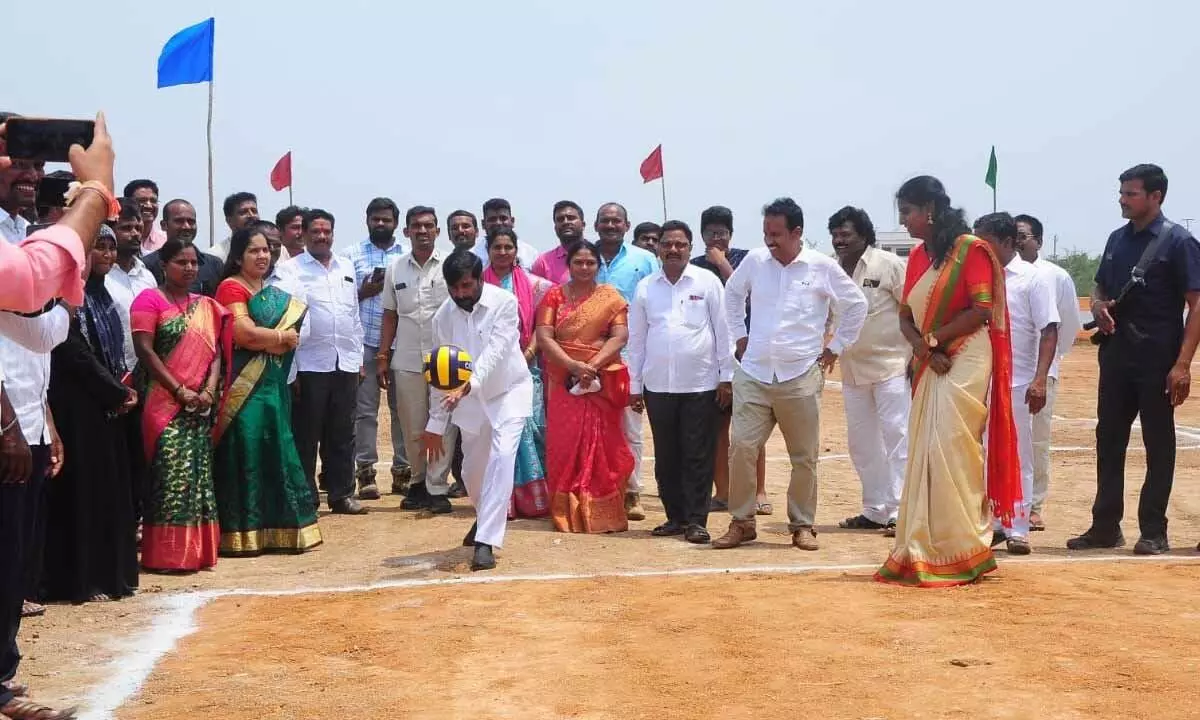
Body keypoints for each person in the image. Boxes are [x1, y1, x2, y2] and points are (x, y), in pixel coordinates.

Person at [874, 176, 1022, 587]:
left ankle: (964, 546)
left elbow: (982, 309)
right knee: (925, 447)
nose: (903, 221)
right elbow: (904, 316)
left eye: (907, 212)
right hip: (930, 359)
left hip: (967, 354)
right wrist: (923, 351)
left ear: (930, 210)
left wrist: (936, 342)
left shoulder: (969, 250)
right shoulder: (920, 256)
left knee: (952, 446)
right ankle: (925, 545)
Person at [713, 198, 867, 551]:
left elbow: (856, 304)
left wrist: (837, 347)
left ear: (797, 232)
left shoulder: (821, 267)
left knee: (804, 455)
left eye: (777, 234)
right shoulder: (754, 261)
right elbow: (733, 296)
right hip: (754, 371)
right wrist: (739, 335)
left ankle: (802, 524)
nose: (770, 240)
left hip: (800, 373)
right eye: (766, 232)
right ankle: (742, 521)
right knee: (742, 448)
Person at [1069, 163, 1200, 555]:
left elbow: (1196, 304)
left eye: (1131, 194)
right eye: (1122, 192)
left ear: (1156, 197)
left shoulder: (1179, 242)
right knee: (1108, 438)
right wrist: (1099, 304)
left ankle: (1154, 530)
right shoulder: (1116, 239)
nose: (1122, 200)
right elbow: (1101, 284)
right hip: (1117, 355)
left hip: (1158, 359)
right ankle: (1105, 525)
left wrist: (1182, 364)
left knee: (1158, 443)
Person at [212, 226, 323, 556]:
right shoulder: (231, 287)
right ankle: (243, 533)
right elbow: (243, 334)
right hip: (244, 391)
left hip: (272, 389)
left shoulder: (266, 289)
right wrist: (281, 340)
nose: (262, 256)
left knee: (274, 453)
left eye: (266, 251)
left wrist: (278, 341)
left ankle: (277, 530)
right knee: (246, 455)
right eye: (253, 251)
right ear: (238, 256)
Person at [43, 228, 139, 603]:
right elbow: (73, 352)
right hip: (75, 407)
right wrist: (114, 392)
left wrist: (121, 392)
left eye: (112, 247)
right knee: (82, 493)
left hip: (106, 408)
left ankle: (111, 574)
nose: (108, 254)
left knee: (110, 490)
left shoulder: (103, 297)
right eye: (100, 246)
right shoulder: (62, 299)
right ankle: (81, 580)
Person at [421, 249, 533, 570]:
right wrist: (435, 424)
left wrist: (466, 385)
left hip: (508, 392)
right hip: (468, 403)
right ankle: (485, 517)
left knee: (502, 459)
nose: (460, 294)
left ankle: (486, 541)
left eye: (467, 286)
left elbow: (495, 353)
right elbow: (440, 373)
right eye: (454, 288)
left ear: (480, 278)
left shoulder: (505, 303)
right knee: (472, 471)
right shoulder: (442, 317)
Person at [628, 220, 732, 544]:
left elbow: (724, 332)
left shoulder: (708, 282)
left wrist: (726, 378)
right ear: (658, 247)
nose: (673, 249)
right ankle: (675, 517)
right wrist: (634, 386)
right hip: (658, 386)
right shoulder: (646, 287)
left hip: (700, 384)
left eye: (680, 244)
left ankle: (697, 521)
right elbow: (637, 341)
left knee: (698, 455)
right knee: (667, 456)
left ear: (690, 248)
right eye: (667, 244)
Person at [130, 238, 230, 573]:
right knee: (170, 478)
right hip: (163, 404)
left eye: (193, 263)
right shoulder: (149, 300)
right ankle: (167, 555)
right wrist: (179, 390)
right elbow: (145, 351)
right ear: (163, 264)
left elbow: (215, 352)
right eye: (181, 262)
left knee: (199, 477)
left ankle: (197, 552)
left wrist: (209, 391)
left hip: (200, 405)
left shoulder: (206, 305)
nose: (189, 269)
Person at [974, 212, 1058, 555]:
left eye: (986, 242)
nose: (979, 249)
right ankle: (992, 522)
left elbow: (1049, 330)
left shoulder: (1032, 279)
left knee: (1017, 454)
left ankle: (1017, 526)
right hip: (981, 380)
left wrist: (1040, 379)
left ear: (1008, 243)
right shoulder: (979, 278)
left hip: (1019, 382)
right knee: (984, 453)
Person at [535, 240, 634, 533]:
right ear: (570, 265)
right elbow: (544, 336)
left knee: (605, 443)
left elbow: (620, 335)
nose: (584, 267)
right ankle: (566, 509)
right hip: (564, 383)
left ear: (598, 266)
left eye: (590, 262)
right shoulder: (554, 296)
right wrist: (573, 366)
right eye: (578, 262)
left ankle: (602, 509)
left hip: (599, 382)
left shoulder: (610, 297)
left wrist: (592, 366)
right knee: (564, 445)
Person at [828, 206, 911, 533]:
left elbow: (912, 308)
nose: (839, 240)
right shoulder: (832, 271)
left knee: (897, 437)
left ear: (864, 235)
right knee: (861, 443)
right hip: (852, 371)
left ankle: (902, 511)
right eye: (835, 234)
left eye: (845, 234)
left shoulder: (889, 265)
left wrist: (917, 355)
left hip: (891, 365)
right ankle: (875, 509)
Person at [284, 209, 367, 515]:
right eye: (315, 232)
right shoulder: (291, 269)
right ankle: (307, 496)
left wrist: (358, 359)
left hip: (344, 361)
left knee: (343, 432)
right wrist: (292, 370)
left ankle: (342, 494)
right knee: (307, 433)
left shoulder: (345, 266)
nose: (322, 236)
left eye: (326, 231)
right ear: (303, 235)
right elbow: (289, 320)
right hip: (309, 363)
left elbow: (353, 315)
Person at [376, 206, 458, 513]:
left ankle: (438, 487)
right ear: (406, 231)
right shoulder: (396, 269)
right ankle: (418, 481)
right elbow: (389, 314)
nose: (422, 231)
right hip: (407, 358)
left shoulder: (450, 265)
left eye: (428, 226)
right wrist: (383, 356)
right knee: (412, 425)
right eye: (416, 226)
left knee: (443, 425)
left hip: (445, 360)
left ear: (437, 231)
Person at [690, 206, 768, 515]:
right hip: (711, 359)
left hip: (748, 354)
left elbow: (751, 296)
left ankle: (759, 492)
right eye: (711, 233)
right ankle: (722, 493)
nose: (717, 237)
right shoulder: (694, 266)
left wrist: (722, 264)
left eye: (722, 232)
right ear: (702, 235)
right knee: (718, 429)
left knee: (752, 428)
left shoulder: (748, 260)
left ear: (731, 234)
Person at [0, 111, 115, 315]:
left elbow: (45, 335)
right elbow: (31, 278)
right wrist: (96, 193)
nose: (32, 175)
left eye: (39, 165)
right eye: (18, 164)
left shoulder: (28, 231)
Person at [590, 203, 657, 521]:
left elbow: (655, 307)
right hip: (588, 358)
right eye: (605, 221)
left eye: (616, 221)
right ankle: (603, 490)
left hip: (630, 357)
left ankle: (633, 492)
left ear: (627, 225)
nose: (611, 225)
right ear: (595, 225)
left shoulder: (644, 260)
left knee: (631, 427)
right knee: (596, 427)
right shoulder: (585, 259)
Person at [0, 304, 67, 618]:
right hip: (9, 437)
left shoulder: (36, 319)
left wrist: (49, 428)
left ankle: (17, 595)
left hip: (34, 429)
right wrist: (9, 432)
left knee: (26, 526)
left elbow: (40, 383)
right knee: (8, 528)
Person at [482, 227, 554, 517]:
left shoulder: (536, 286)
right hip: (487, 371)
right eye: (496, 247)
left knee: (531, 429)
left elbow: (541, 326)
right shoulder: (477, 285)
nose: (502, 252)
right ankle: (502, 501)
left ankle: (533, 499)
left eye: (507, 247)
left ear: (516, 250)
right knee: (493, 434)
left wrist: (526, 356)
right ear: (488, 251)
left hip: (526, 367)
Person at [1014, 213, 1080, 529]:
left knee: (1036, 440)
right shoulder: (998, 274)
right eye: (1012, 235)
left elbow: (1065, 326)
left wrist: (1050, 364)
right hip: (1004, 371)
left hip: (1041, 372)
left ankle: (1034, 505)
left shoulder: (1055, 276)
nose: (1017, 240)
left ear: (1038, 240)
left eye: (1024, 235)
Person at [348, 198, 410, 499]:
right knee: (365, 411)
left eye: (386, 220)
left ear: (396, 223)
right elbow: (342, 302)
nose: (381, 224)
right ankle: (366, 473)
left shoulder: (407, 256)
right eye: (375, 219)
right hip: (364, 343)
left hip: (403, 343)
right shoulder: (351, 256)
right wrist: (365, 291)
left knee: (403, 410)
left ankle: (403, 472)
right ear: (367, 221)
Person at [106, 200, 156, 370]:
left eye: (138, 228)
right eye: (126, 228)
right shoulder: (100, 277)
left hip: (147, 371)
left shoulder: (147, 276)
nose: (135, 234)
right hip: (112, 371)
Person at [142, 199, 222, 296]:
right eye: (179, 221)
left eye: (191, 221)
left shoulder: (214, 264)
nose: (186, 226)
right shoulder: (147, 265)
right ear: (164, 225)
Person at [530, 200, 587, 285]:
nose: (565, 222)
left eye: (571, 218)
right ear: (555, 228)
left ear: (583, 225)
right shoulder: (543, 262)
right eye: (560, 219)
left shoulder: (597, 256)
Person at [479, 198, 537, 267]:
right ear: (483, 224)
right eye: (492, 219)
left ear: (512, 221)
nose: (498, 223)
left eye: (503, 218)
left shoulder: (530, 254)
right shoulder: (473, 255)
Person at [207, 192, 259, 261]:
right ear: (229, 221)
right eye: (243, 212)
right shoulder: (214, 256)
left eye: (254, 211)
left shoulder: (271, 250)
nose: (251, 215)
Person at [124, 179, 167, 254]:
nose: (149, 206)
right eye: (142, 200)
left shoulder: (166, 241)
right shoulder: (118, 239)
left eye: (153, 201)